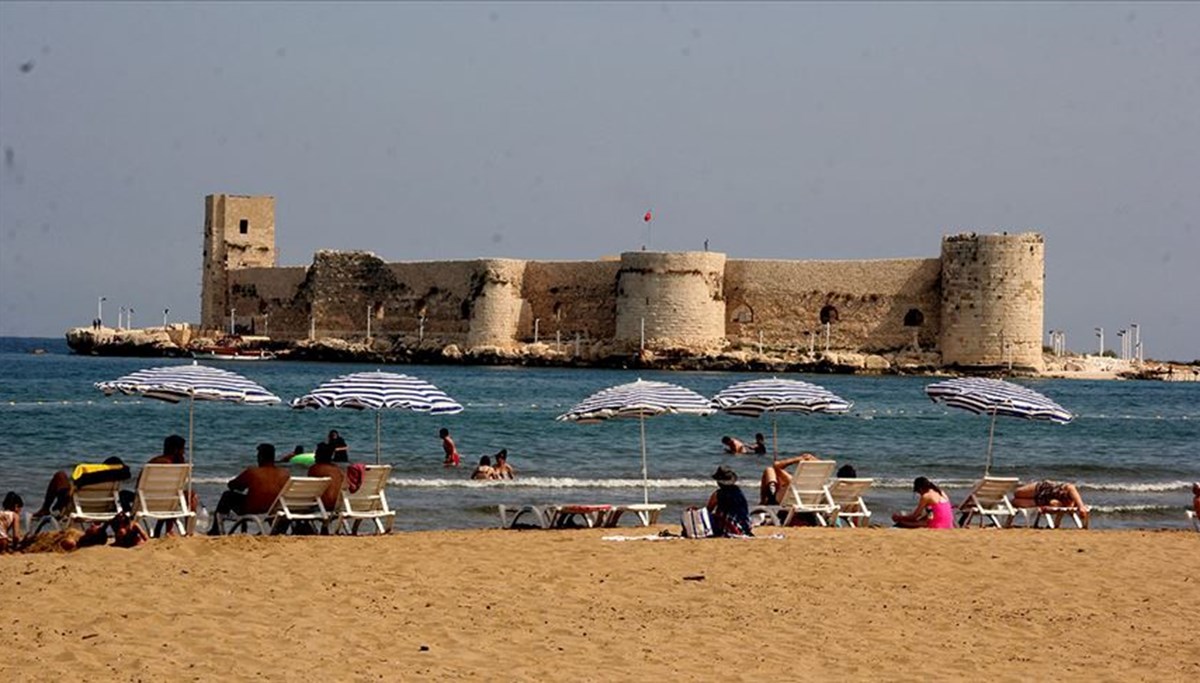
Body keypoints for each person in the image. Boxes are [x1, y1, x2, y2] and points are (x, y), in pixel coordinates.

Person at [208, 444, 291, 535]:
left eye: (258, 455)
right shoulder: (284, 474)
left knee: (227, 495)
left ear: (261, 457)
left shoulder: (253, 472)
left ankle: (215, 529)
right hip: (273, 509)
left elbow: (233, 485)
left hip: (252, 509)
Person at [31, 456, 131, 519]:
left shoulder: (88, 478)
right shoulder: (117, 478)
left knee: (60, 475)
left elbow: (72, 491)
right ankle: (45, 509)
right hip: (101, 507)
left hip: (74, 506)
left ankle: (45, 508)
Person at [1012, 480, 1090, 527]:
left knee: (1014, 502)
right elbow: (1071, 487)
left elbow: (1052, 504)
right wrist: (1081, 506)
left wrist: (1058, 505)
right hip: (1043, 489)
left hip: (1040, 501)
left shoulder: (1061, 504)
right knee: (1017, 493)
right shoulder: (1070, 492)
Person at [706, 465, 753, 537]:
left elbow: (708, 510)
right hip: (744, 527)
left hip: (732, 528)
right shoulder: (738, 491)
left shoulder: (718, 494)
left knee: (711, 517)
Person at [307, 442, 344, 514]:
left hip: (323, 506)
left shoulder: (315, 469)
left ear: (320, 455)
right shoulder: (338, 470)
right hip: (338, 506)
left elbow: (312, 492)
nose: (314, 456)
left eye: (316, 453)